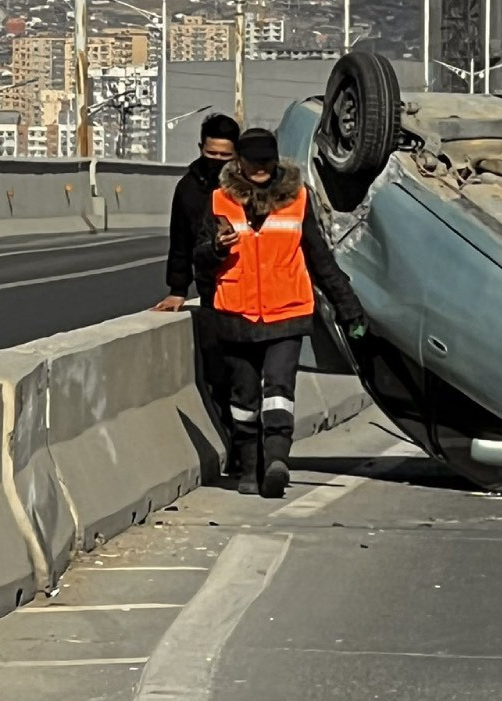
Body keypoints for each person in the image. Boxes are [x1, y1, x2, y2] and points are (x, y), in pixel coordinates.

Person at [194, 128, 367, 497]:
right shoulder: (219, 201)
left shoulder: (296, 200)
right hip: (236, 314)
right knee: (243, 397)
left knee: (278, 389)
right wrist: (216, 248)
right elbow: (201, 260)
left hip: (286, 314)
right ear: (238, 162)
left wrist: (349, 309)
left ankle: (276, 461)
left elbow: (321, 260)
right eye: (253, 162)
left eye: (266, 162)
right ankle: (249, 467)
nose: (260, 169)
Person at [153, 113, 241, 311]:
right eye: (212, 153)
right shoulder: (189, 188)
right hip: (209, 285)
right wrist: (178, 290)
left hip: (245, 280)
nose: (218, 160)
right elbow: (180, 241)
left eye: (225, 155)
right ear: (201, 148)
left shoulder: (246, 186)